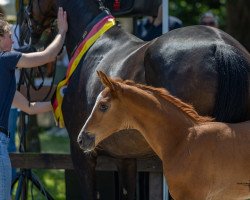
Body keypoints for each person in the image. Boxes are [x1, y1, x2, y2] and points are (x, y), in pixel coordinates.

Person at [0, 7, 68, 200]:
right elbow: (47, 56)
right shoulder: (5, 59)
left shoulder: (5, 79)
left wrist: (60, 104)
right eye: (7, 36)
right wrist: (62, 32)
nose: (13, 40)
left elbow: (29, 107)